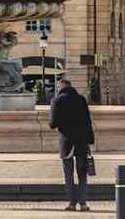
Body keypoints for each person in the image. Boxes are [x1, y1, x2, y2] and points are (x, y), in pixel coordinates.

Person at [49, 77, 95, 212]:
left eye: (58, 87)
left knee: (68, 174)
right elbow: (88, 121)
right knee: (82, 174)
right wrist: (90, 140)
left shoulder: (57, 100)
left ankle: (71, 203)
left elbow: (52, 124)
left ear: (61, 86)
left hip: (67, 142)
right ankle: (83, 203)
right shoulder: (81, 99)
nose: (57, 89)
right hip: (81, 142)